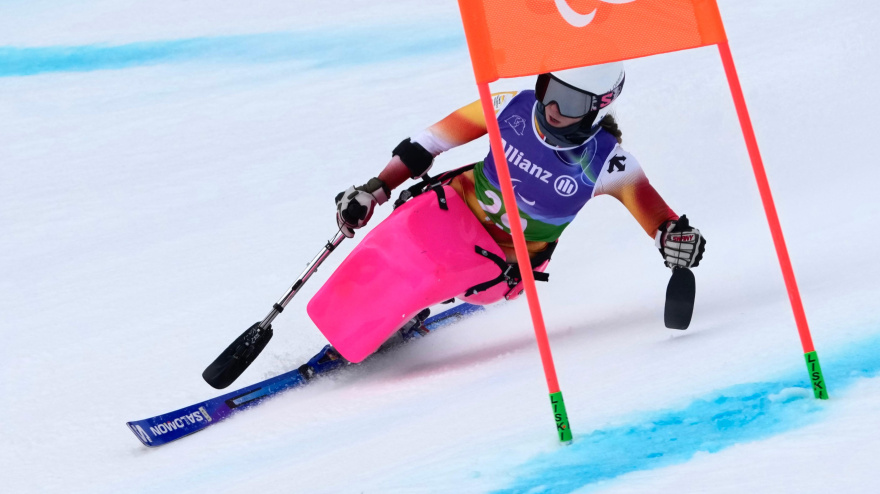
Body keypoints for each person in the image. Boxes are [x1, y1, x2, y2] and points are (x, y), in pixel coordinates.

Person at [309, 61, 706, 363]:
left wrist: (677, 241)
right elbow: (428, 143)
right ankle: (349, 315)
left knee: (436, 267)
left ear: (598, 107)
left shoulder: (608, 164)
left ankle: (378, 322)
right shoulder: (510, 105)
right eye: (548, 89)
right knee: (396, 237)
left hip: (503, 261)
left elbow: (661, 221)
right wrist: (375, 189)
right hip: (449, 209)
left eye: (569, 102)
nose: (551, 107)